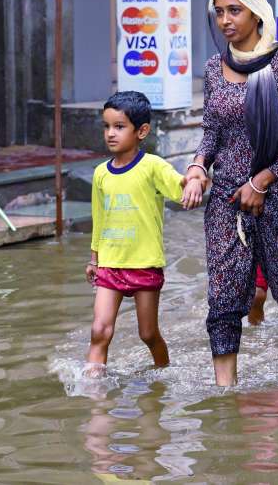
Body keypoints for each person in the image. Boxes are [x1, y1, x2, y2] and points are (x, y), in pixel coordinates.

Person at [186, 0, 278, 386]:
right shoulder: (215, 69)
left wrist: (264, 179)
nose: (226, 20)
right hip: (227, 199)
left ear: (256, 11)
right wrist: (197, 167)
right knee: (225, 298)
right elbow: (212, 131)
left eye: (235, 10)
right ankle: (224, 394)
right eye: (219, 12)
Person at [84, 91, 204, 374]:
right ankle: (92, 390)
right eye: (106, 127)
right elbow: (98, 220)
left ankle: (164, 371)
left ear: (142, 131)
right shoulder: (101, 173)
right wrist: (94, 259)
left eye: (119, 127)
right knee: (100, 330)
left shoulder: (153, 167)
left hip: (145, 265)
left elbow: (180, 187)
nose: (110, 134)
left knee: (148, 334)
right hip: (110, 265)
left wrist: (195, 183)